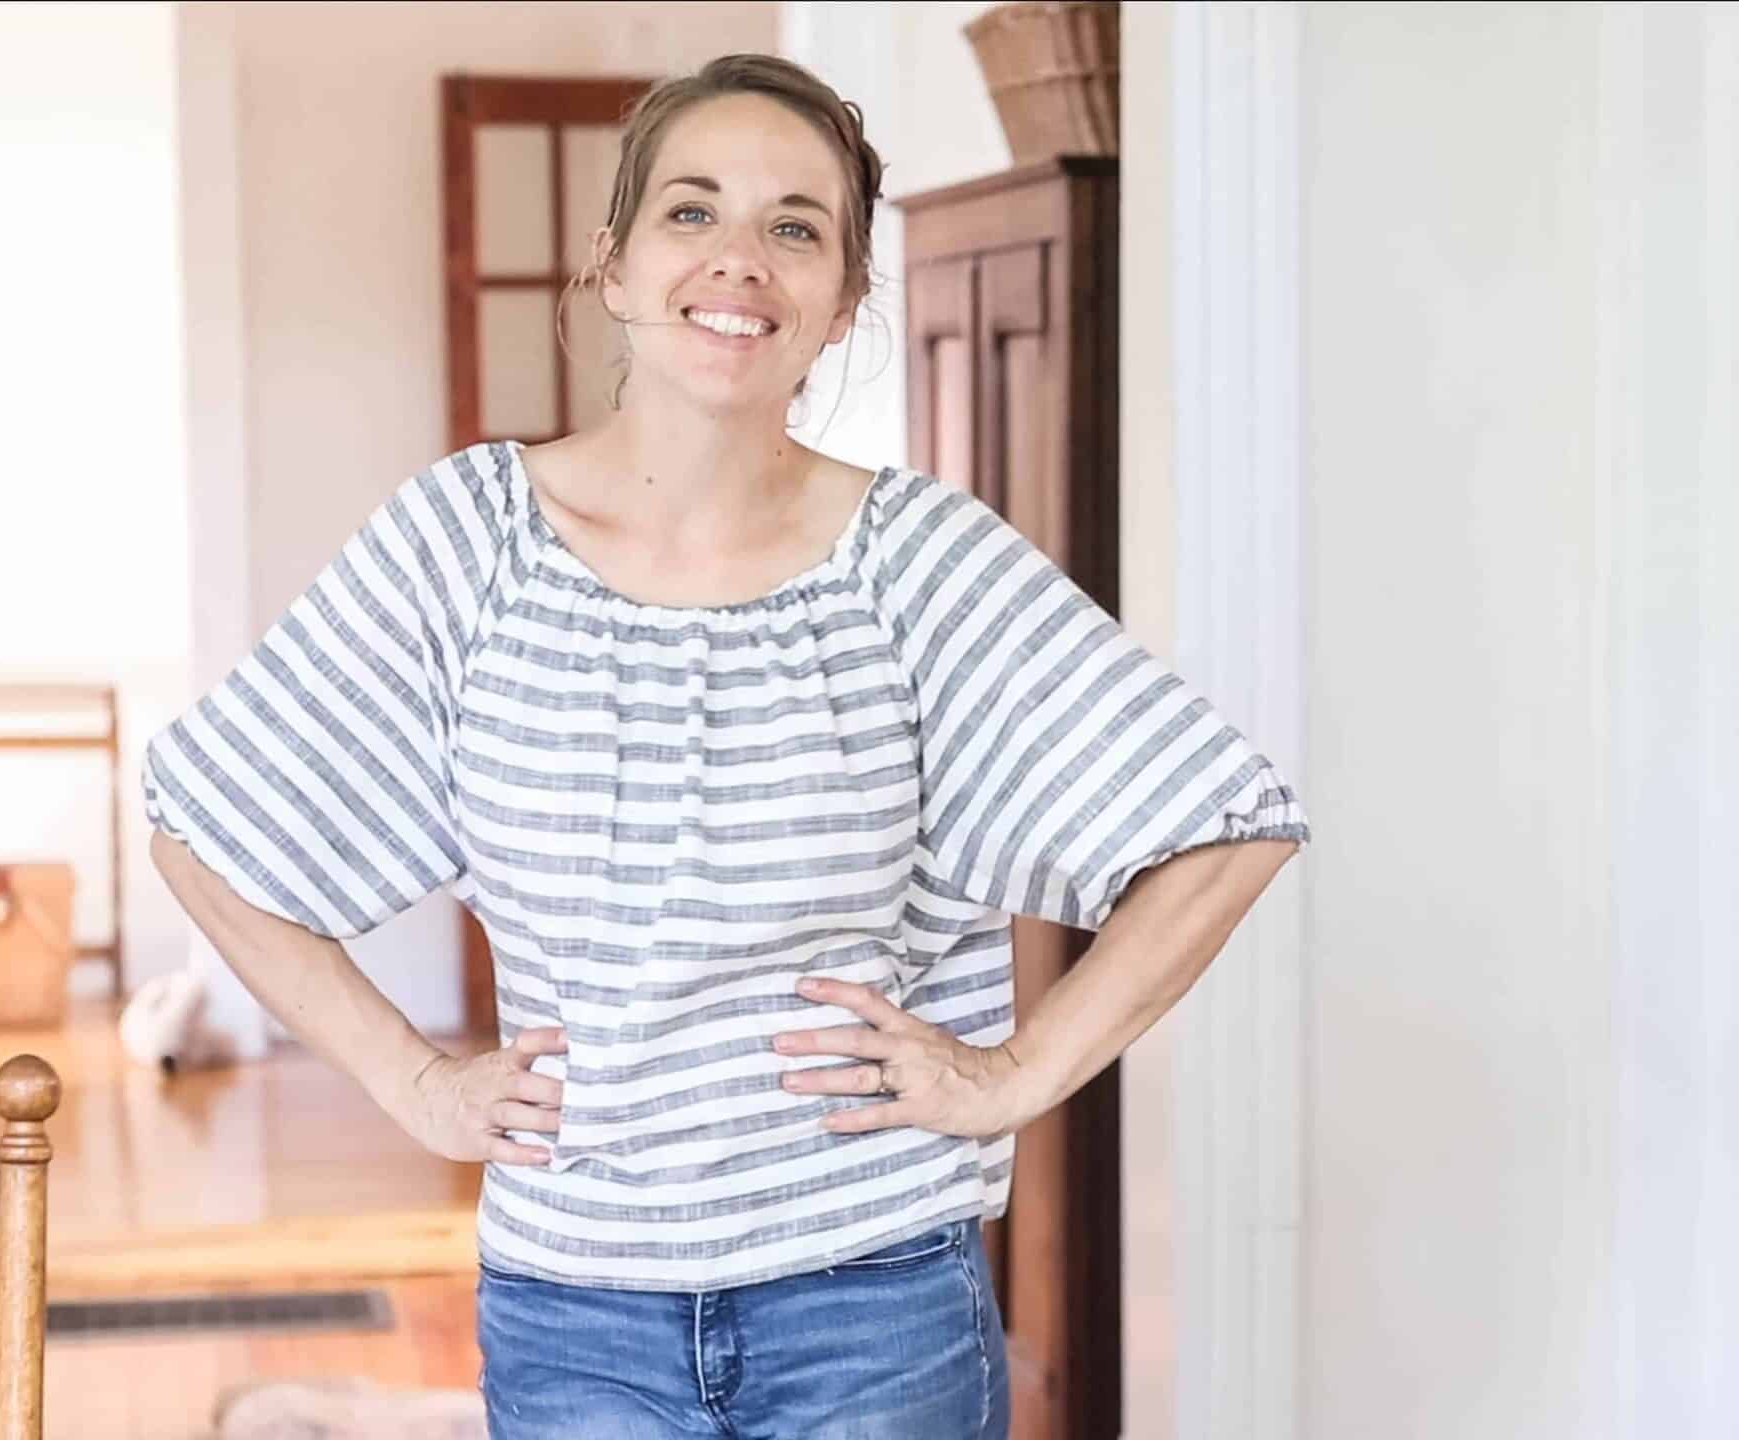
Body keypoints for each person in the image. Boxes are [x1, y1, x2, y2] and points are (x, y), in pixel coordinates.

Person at [145, 52, 1309, 1440]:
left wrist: (1014, 1075)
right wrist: (410, 1077)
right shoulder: (465, 541)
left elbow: (1227, 823)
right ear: (617, 265)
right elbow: (203, 819)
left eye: (796, 226)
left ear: (842, 303)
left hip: (874, 1303)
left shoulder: (919, 564)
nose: (740, 260)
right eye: (693, 213)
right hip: (577, 1309)